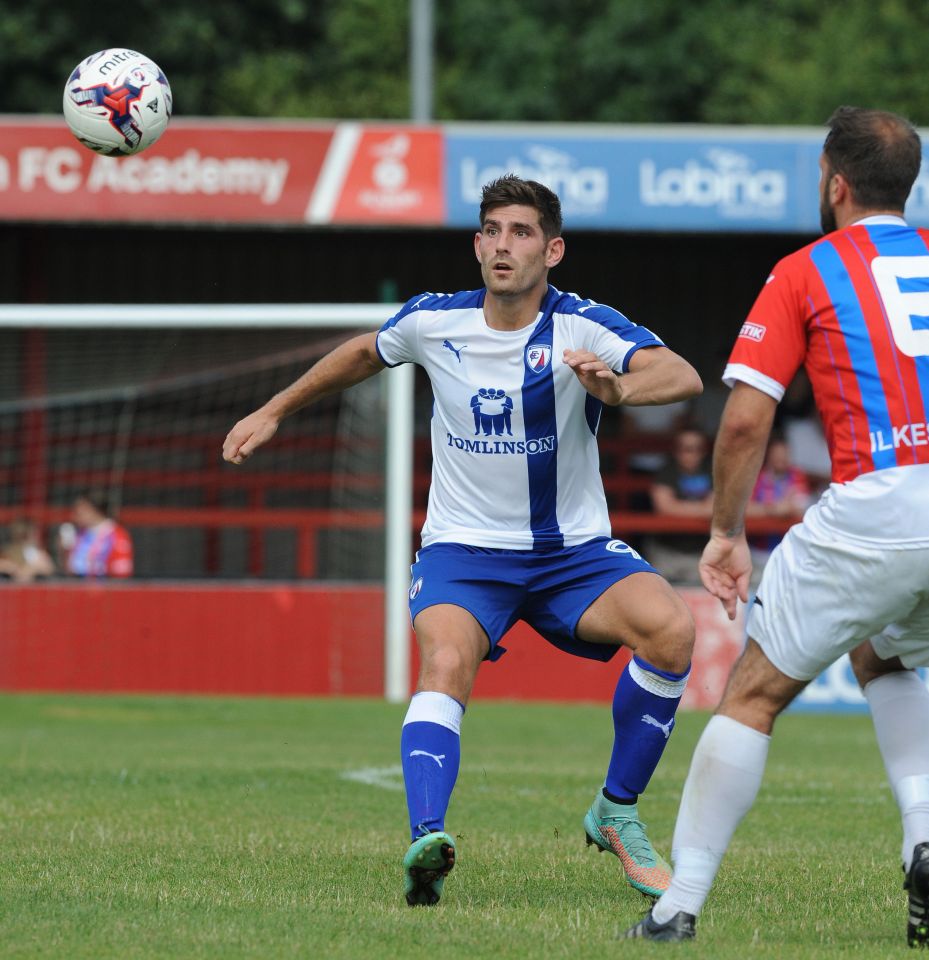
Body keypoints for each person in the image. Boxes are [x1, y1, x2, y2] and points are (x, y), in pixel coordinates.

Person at [223, 174, 704, 907]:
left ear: (553, 249)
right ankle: (428, 839)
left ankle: (615, 810)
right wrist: (276, 409)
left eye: (519, 232)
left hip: (569, 552)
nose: (502, 245)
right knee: (445, 659)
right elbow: (360, 352)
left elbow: (681, 374)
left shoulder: (582, 325)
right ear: (476, 244)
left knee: (670, 629)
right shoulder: (432, 321)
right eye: (491, 231)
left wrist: (617, 389)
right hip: (464, 551)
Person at [624, 106, 929, 945]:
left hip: (876, 501)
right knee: (883, 651)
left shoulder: (806, 269)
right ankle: (923, 835)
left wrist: (722, 533)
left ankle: (675, 905)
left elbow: (743, 422)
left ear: (834, 183)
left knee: (751, 696)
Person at [645, 427, 714, 586]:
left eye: (698, 449)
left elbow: (717, 507)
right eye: (686, 449)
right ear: (676, 450)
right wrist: (702, 508)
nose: (692, 454)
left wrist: (680, 507)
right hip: (666, 551)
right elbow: (664, 507)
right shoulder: (665, 471)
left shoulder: (713, 472)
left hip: (703, 552)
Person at [745, 435, 811, 578]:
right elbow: (745, 509)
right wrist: (774, 509)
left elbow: (800, 507)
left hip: (789, 551)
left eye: (784, 454)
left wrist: (768, 508)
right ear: (768, 455)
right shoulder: (756, 477)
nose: (781, 459)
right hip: (758, 552)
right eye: (777, 455)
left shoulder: (797, 476)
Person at [59, 492, 134, 578]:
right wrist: (64, 552)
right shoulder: (81, 534)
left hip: (105, 587)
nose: (74, 516)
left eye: (79, 511)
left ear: (94, 510)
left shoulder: (116, 534)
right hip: (78, 586)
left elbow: (121, 572)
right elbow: (71, 568)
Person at [0, 517, 56, 581]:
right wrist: (10, 567)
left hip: (33, 588)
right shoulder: (7, 552)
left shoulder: (39, 554)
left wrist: (30, 569)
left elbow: (49, 568)